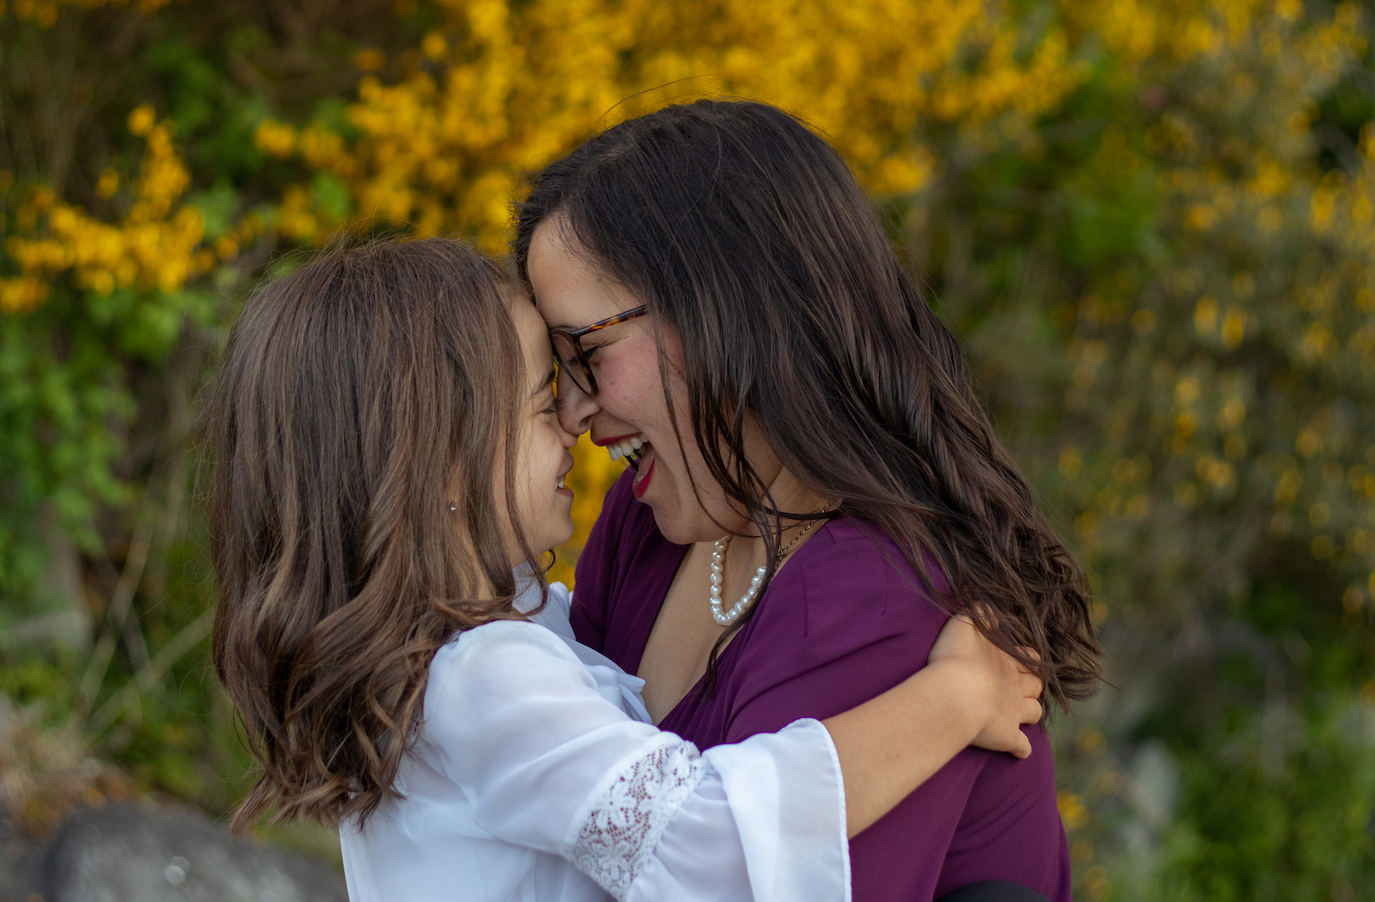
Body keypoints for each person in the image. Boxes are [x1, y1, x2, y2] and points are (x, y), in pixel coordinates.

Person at [208, 238, 1045, 902]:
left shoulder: (468, 650)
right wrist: (955, 700)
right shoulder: (482, 678)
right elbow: (705, 844)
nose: (575, 419)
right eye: (543, 400)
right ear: (441, 469)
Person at [514, 99, 1105, 902]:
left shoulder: (877, 595)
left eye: (585, 352)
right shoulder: (648, 524)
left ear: (727, 306)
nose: (576, 411)